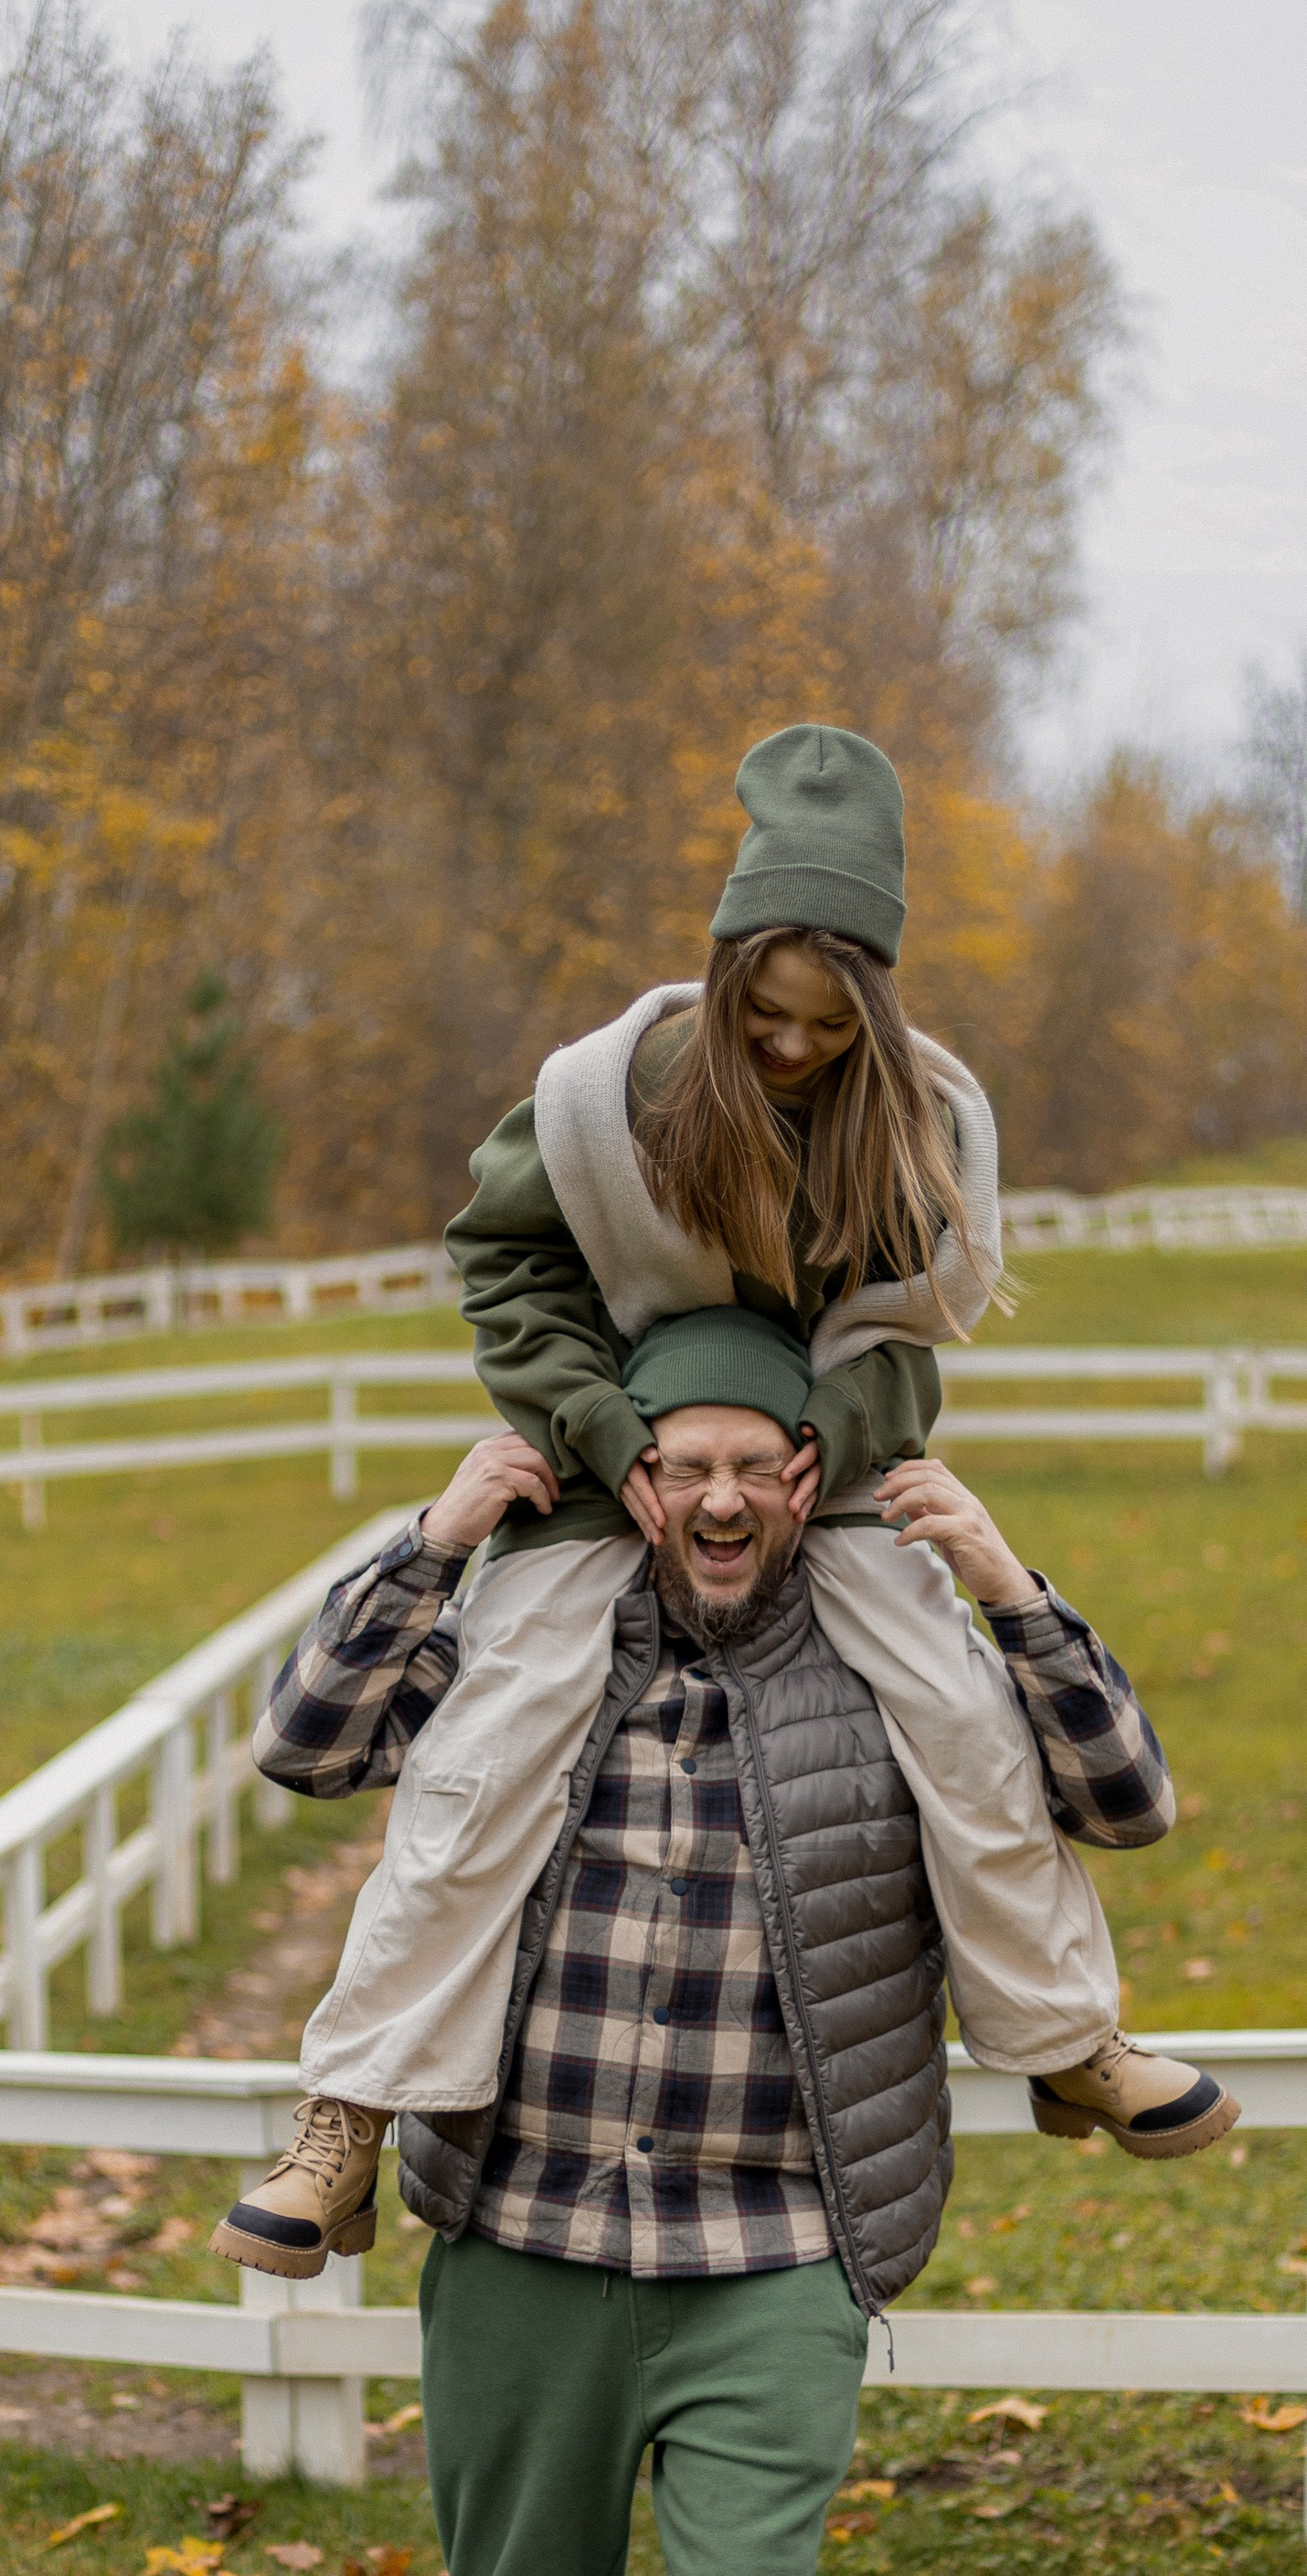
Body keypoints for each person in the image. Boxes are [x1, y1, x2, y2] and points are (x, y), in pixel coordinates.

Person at [240, 1329, 1177, 2576]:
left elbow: (1118, 1799)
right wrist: (430, 1539)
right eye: (688, 1470)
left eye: (761, 1466)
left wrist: (1008, 1584)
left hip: (775, 2243)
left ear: (808, 1478)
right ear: (640, 1484)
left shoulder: (894, 1650)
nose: (726, 1500)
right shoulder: (528, 1629)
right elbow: (311, 1744)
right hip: (523, 2230)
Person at [217, 722, 1231, 2280]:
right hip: (616, 1453)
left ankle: (1068, 2037)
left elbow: (913, 1324)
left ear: (875, 1007)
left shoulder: (925, 1124)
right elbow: (504, 1261)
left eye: (828, 1025)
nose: (791, 1049)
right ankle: (348, 2113)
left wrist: (829, 1427)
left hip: (820, 1474)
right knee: (489, 1753)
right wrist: (596, 1422)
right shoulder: (600, 1097)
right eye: (766, 1013)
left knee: (959, 1719)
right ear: (724, 973)